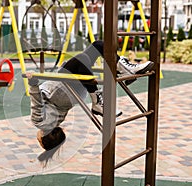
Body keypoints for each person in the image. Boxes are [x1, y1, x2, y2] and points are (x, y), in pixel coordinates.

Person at [25, 40, 154, 151]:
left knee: (97, 46)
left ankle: (124, 68)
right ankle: (98, 101)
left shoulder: (56, 123)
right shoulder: (40, 123)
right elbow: (37, 102)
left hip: (75, 93)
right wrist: (33, 82)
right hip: (62, 88)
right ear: (42, 139)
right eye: (39, 142)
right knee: (82, 58)